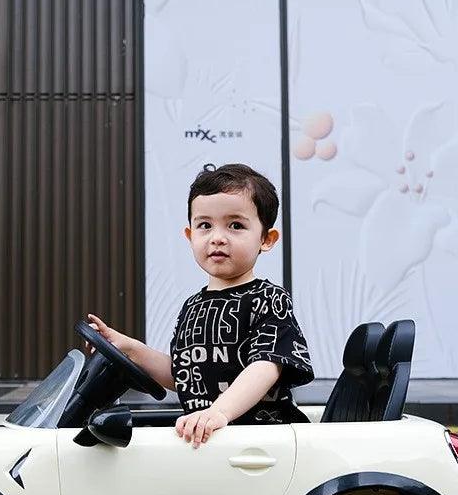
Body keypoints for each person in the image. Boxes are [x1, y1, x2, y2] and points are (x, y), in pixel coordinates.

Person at [86, 163, 314, 449]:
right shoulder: (193, 306)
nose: (217, 237)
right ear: (190, 235)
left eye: (236, 225)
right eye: (205, 225)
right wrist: (130, 349)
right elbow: (185, 374)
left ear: (266, 239)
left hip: (260, 443)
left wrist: (219, 412)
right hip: (207, 443)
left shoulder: (268, 299)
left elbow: (266, 366)